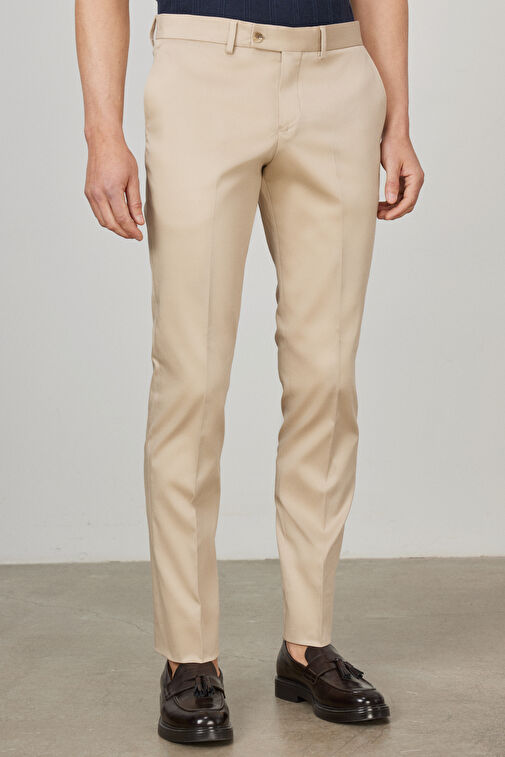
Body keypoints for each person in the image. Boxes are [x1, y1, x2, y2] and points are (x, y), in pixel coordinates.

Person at [76, 0, 424, 744]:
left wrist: (397, 116)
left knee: (327, 376)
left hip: (339, 73)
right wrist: (102, 132)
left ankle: (308, 645)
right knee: (191, 379)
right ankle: (189, 656)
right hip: (204, 72)